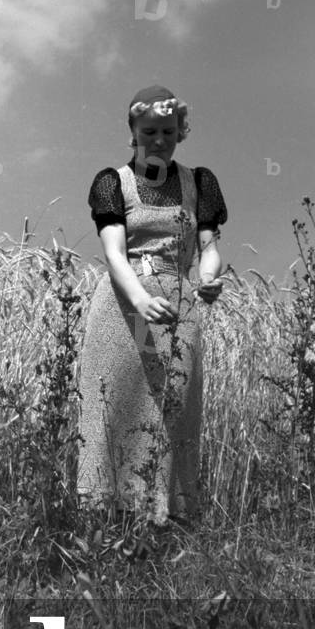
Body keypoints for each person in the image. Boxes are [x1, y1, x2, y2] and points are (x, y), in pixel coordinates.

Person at [76, 85, 228, 527]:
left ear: (180, 130)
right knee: (114, 402)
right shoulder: (111, 183)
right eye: (149, 132)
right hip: (124, 308)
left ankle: (166, 522)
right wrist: (141, 300)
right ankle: (102, 523)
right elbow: (113, 254)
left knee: (173, 408)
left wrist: (208, 276)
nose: (158, 139)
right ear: (133, 133)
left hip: (179, 306)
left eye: (167, 130)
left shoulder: (200, 182)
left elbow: (210, 247)